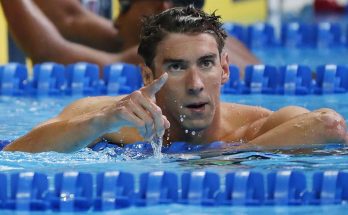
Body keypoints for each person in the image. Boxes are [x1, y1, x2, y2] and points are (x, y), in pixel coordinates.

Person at [4, 6, 347, 153]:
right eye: (178, 67)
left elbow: (331, 126)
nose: (196, 82)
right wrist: (97, 124)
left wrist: (232, 153)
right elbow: (18, 152)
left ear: (224, 70)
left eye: (207, 64)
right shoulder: (113, 119)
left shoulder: (257, 128)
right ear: (148, 75)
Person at [0, 0, 259, 76]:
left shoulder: (167, 57)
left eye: (125, 6)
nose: (116, 20)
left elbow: (50, 55)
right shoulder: (226, 44)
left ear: (161, 7)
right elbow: (71, 20)